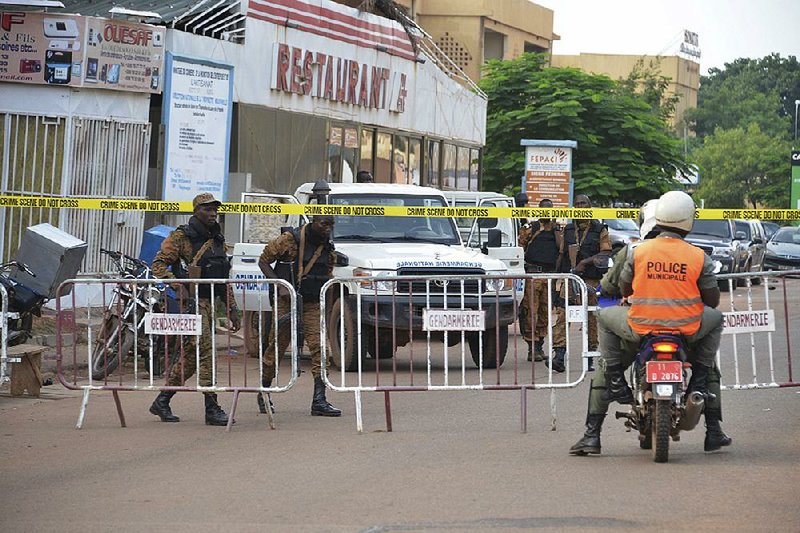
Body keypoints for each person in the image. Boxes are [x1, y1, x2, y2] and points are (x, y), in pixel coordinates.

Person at [570, 191, 730, 455]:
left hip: (638, 330)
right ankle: (713, 431)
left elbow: (616, 286)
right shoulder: (697, 255)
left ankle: (592, 434)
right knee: (708, 368)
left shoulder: (636, 251)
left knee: (603, 369)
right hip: (685, 331)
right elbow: (711, 300)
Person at [149, 192, 241, 426]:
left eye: (214, 210)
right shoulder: (182, 237)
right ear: (196, 211)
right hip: (193, 304)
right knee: (207, 351)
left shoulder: (218, 238)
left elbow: (223, 276)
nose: (212, 214)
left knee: (191, 356)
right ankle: (212, 407)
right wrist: (176, 285)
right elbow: (158, 264)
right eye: (207, 209)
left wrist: (232, 308)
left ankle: (162, 400)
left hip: (210, 303)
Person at [257, 215, 341, 417]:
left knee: (320, 347)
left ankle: (319, 400)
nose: (328, 229)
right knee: (276, 347)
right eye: (324, 224)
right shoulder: (290, 239)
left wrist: (327, 310)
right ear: (313, 222)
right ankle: (264, 392)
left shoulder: (327, 248)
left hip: (312, 303)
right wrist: (280, 285)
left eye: (331, 225)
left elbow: (328, 278)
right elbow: (264, 262)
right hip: (287, 301)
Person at [549, 194, 612, 372]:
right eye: (577, 204)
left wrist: (585, 262)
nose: (580, 206)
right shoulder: (569, 229)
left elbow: (606, 252)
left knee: (591, 318)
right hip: (571, 279)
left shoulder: (599, 229)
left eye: (583, 203)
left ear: (589, 206)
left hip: (591, 280)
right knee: (562, 314)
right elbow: (561, 254)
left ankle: (590, 355)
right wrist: (556, 279)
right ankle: (559, 355)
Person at [518, 198, 562, 361]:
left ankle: (540, 346)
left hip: (549, 275)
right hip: (533, 275)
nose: (547, 212)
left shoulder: (556, 230)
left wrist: (556, 228)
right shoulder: (531, 228)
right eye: (544, 209)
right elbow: (520, 247)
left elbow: (561, 247)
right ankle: (532, 348)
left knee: (545, 312)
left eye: (550, 210)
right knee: (531, 312)